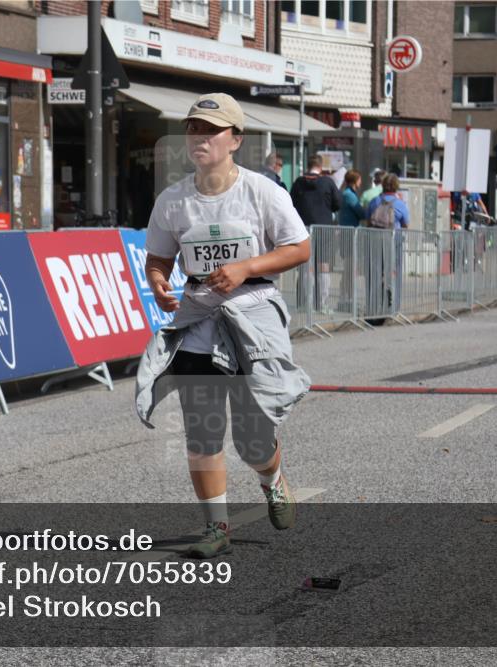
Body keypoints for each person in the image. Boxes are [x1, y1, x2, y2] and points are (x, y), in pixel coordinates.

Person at [136, 93, 312, 559]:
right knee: (202, 428)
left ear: (235, 139)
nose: (199, 138)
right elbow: (158, 258)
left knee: (253, 436)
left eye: (211, 130)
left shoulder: (262, 192)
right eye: (193, 129)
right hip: (199, 316)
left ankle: (271, 477)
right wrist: (158, 282)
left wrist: (244, 267)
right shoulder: (173, 200)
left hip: (253, 310)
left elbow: (299, 248)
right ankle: (216, 528)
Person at [290, 154, 341, 313]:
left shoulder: (298, 183)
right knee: (323, 266)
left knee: (305, 266)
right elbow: (337, 204)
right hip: (324, 229)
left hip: (302, 229)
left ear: (308, 165)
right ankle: (322, 304)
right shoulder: (327, 182)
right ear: (320, 166)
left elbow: (290, 203)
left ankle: (304, 304)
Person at [364, 174, 409, 323]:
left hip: (375, 241)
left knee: (374, 274)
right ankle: (392, 306)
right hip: (392, 242)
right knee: (392, 273)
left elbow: (368, 220)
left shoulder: (375, 201)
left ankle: (373, 306)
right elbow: (405, 224)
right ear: (396, 186)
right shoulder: (400, 204)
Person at [337, 170, 366, 312]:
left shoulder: (347, 194)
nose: (361, 182)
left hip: (347, 234)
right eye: (359, 180)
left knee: (348, 269)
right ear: (355, 181)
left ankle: (346, 298)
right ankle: (347, 299)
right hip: (349, 236)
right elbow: (361, 213)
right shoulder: (349, 195)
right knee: (349, 269)